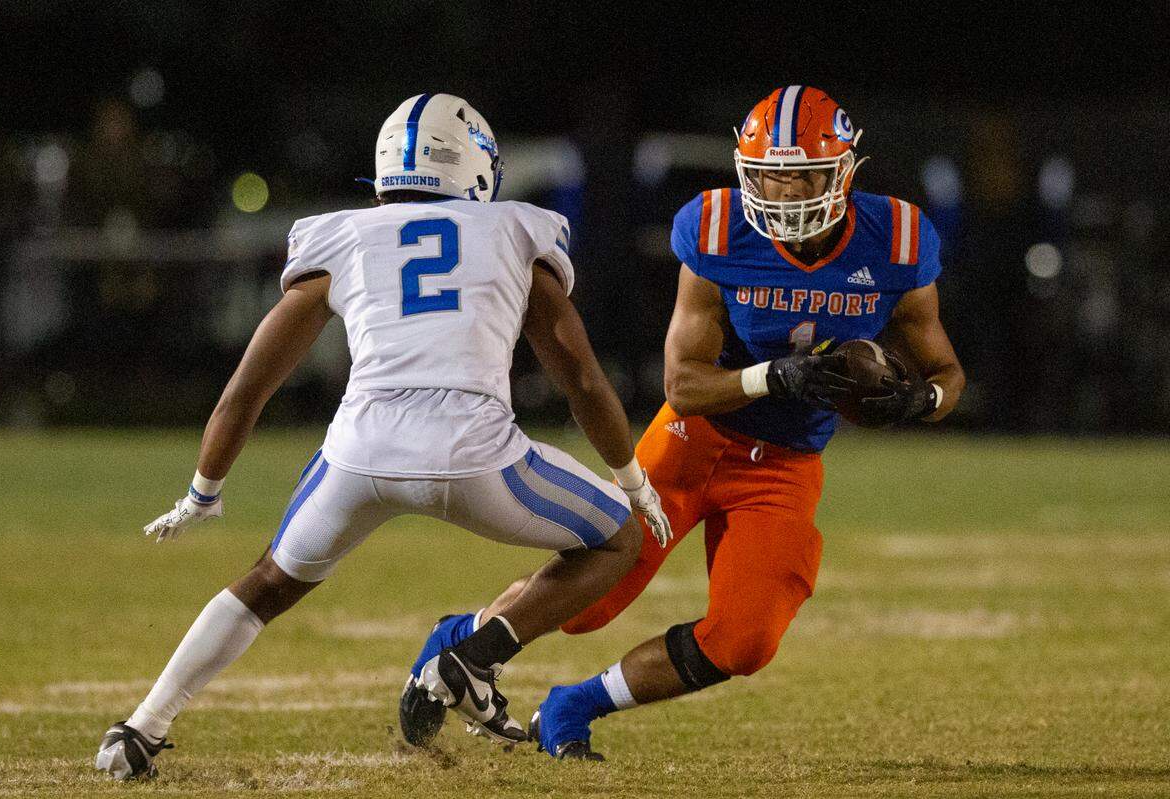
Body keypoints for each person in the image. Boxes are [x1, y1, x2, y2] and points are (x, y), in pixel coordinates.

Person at [94, 92, 671, 780]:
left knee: (268, 581)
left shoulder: (343, 236)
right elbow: (580, 377)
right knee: (619, 538)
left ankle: (141, 727)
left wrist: (204, 488)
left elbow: (247, 388)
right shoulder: (518, 229)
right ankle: (475, 655)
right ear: (477, 167)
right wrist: (632, 477)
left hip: (360, 453)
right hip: (478, 456)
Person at [529, 85, 966, 759]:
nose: (786, 195)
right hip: (693, 439)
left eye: (804, 178)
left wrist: (921, 402)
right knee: (585, 599)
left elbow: (947, 372)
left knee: (745, 641)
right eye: (771, 177)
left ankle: (573, 702)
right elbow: (682, 384)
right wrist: (773, 376)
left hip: (786, 463)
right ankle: (462, 645)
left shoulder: (899, 241)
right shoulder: (715, 227)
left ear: (844, 173)